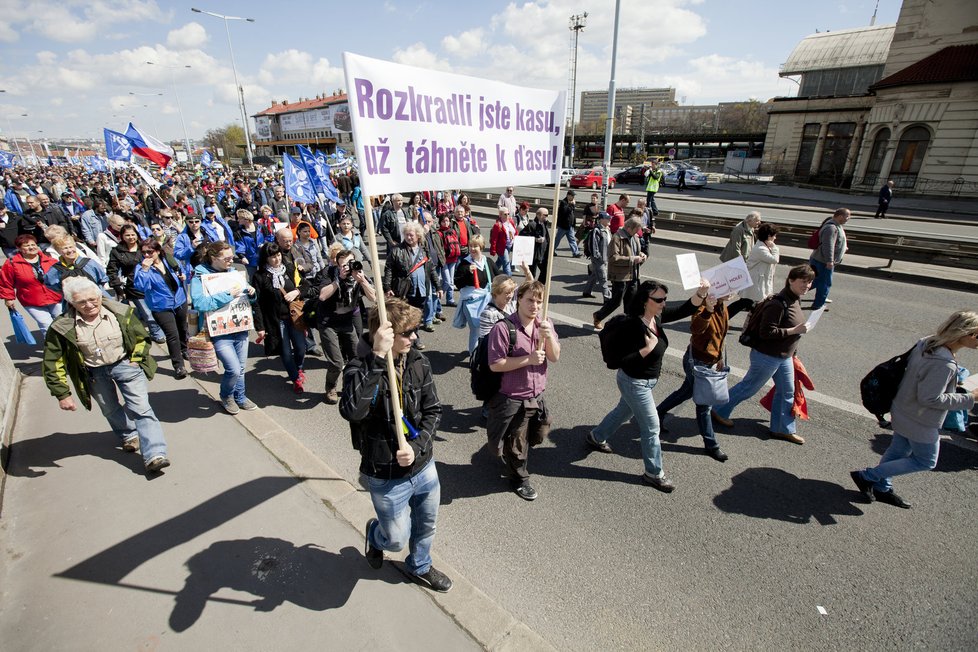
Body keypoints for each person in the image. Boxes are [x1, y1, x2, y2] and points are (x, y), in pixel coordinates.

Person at [339, 298, 452, 593]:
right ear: (384, 334)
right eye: (408, 332)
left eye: (414, 330)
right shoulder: (359, 367)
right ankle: (376, 536)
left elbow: (433, 410)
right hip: (385, 474)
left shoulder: (418, 361)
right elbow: (352, 410)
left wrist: (417, 446)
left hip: (423, 465)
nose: (414, 337)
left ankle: (420, 565)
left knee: (427, 525)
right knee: (396, 538)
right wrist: (377, 357)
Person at [585, 280, 708, 492]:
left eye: (664, 299)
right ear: (645, 301)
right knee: (652, 427)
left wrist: (701, 293)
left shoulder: (656, 317)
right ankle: (654, 473)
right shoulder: (633, 325)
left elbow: (685, 309)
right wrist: (646, 350)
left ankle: (596, 436)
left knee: (623, 412)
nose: (663, 303)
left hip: (646, 382)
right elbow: (619, 362)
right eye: (658, 300)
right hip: (634, 382)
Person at [42, 276, 170, 474]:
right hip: (93, 372)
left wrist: (136, 359)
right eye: (82, 302)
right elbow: (53, 361)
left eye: (93, 299)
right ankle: (128, 434)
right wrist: (62, 394)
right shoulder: (62, 326)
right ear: (71, 303)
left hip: (126, 365)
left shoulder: (121, 311)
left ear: (100, 295)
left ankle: (155, 454)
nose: (89, 305)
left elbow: (141, 337)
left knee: (142, 409)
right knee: (109, 409)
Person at [851, 311, 978, 509]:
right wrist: (971, 398)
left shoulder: (928, 342)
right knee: (926, 461)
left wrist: (953, 382)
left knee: (898, 450)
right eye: (976, 335)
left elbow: (921, 376)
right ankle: (867, 476)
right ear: (963, 333)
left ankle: (882, 487)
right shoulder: (944, 364)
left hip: (903, 408)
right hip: (920, 419)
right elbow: (930, 398)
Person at [711, 264, 816, 444]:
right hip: (767, 356)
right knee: (749, 387)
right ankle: (719, 409)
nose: (807, 285)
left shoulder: (795, 299)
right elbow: (766, 332)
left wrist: (793, 349)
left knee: (787, 391)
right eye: (803, 281)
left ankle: (782, 429)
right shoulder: (777, 303)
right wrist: (794, 331)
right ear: (791, 280)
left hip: (784, 356)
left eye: (810, 282)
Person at [487, 280, 560, 500]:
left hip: (537, 395)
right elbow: (495, 364)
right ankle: (519, 479)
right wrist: (528, 359)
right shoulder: (503, 328)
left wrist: (548, 338)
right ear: (519, 299)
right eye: (530, 300)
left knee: (538, 435)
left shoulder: (545, 324)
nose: (535, 306)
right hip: (513, 397)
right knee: (518, 443)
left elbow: (555, 357)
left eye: (539, 301)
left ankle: (512, 450)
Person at [655, 292, 731, 462]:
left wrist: (719, 357)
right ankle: (712, 445)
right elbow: (696, 328)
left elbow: (720, 335)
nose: (733, 292)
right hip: (696, 362)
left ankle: (658, 413)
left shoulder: (722, 306)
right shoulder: (705, 306)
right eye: (729, 288)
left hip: (710, 361)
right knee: (704, 405)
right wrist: (707, 311)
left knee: (686, 392)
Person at [190, 241, 260, 415]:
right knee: (233, 369)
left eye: (232, 257)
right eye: (227, 258)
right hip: (219, 331)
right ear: (214, 258)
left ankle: (241, 397)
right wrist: (228, 294)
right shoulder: (200, 276)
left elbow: (246, 300)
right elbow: (200, 303)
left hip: (240, 327)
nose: (231, 261)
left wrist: (251, 294)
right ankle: (226, 396)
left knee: (242, 368)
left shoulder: (234, 272)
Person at [318, 248, 376, 405]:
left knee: (356, 357)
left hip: (347, 321)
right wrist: (338, 280)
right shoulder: (329, 272)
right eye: (343, 265)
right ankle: (330, 387)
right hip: (328, 322)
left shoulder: (358, 274)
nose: (347, 268)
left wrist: (362, 281)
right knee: (337, 363)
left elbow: (374, 298)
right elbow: (322, 295)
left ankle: (348, 386)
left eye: (350, 263)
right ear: (337, 265)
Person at [252, 243, 308, 395]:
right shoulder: (260, 276)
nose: (276, 259)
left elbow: (306, 285)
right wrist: (260, 327)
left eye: (278, 255)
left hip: (295, 317)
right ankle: (295, 378)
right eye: (272, 257)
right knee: (285, 352)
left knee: (301, 347)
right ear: (266, 258)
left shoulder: (289, 268)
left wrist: (296, 292)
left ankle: (299, 367)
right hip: (276, 320)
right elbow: (256, 303)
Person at [133, 239, 189, 379]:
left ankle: (184, 349)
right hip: (161, 306)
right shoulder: (141, 268)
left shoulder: (169, 260)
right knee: (172, 335)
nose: (147, 255)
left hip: (179, 300)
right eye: (144, 252)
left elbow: (182, 272)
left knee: (183, 329)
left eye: (150, 252)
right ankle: (178, 366)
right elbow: (140, 287)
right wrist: (145, 269)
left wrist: (183, 276)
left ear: (157, 251)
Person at [382, 222, 439, 351]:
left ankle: (414, 334)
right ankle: (408, 338)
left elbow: (431, 270)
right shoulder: (397, 251)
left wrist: (438, 286)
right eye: (406, 235)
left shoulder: (424, 251)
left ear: (418, 236)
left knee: (417, 316)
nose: (409, 237)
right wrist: (387, 287)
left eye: (411, 235)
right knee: (405, 316)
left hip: (422, 290)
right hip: (405, 290)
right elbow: (389, 269)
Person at [106, 224, 166, 343]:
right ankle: (156, 332)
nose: (130, 237)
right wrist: (117, 287)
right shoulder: (117, 251)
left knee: (158, 309)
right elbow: (112, 270)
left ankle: (162, 327)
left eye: (133, 234)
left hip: (152, 282)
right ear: (122, 236)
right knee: (147, 312)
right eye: (127, 235)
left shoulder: (144, 247)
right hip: (133, 285)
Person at [0, 234, 63, 338]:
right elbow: (5, 282)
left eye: (33, 244)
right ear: (18, 248)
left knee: (63, 323)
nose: (31, 247)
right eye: (26, 245)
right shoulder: (12, 263)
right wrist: (8, 298)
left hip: (55, 297)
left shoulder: (50, 259)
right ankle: (55, 351)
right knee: (46, 325)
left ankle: (69, 349)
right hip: (32, 301)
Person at [593, 217, 646, 330]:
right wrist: (632, 259)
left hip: (633, 275)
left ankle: (628, 325)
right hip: (620, 276)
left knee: (630, 303)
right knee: (616, 302)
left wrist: (642, 255)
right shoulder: (617, 238)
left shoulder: (634, 237)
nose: (637, 233)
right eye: (636, 230)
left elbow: (636, 251)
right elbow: (613, 258)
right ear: (628, 227)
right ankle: (598, 316)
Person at [454, 234, 498, 355]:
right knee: (476, 330)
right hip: (471, 303)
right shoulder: (464, 264)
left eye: (476, 246)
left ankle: (484, 353)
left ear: (482, 247)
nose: (472, 249)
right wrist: (468, 272)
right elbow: (457, 283)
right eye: (471, 246)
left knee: (489, 329)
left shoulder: (487, 261)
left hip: (487, 302)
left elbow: (498, 277)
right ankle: (474, 358)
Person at [720, 211, 762, 317]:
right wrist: (740, 262)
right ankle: (717, 298)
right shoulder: (739, 229)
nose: (759, 222)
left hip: (745, 260)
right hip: (734, 260)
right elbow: (735, 247)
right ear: (750, 220)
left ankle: (746, 301)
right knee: (731, 282)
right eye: (757, 220)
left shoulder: (751, 229)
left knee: (742, 282)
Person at [809, 208, 850, 311]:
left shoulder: (837, 226)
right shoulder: (831, 228)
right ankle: (818, 305)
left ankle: (793, 293)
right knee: (824, 283)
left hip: (823, 260)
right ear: (840, 216)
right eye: (847, 216)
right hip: (823, 261)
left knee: (815, 281)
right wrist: (830, 261)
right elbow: (828, 246)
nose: (848, 218)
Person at [44, 234, 109, 295]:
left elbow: (103, 279)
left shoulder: (89, 263)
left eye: (71, 247)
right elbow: (51, 284)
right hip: (73, 302)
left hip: (97, 296)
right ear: (58, 251)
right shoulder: (56, 269)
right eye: (65, 248)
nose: (69, 250)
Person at [741, 223, 781, 306]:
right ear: (769, 236)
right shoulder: (761, 249)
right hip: (757, 281)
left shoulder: (764, 246)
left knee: (750, 303)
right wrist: (775, 248)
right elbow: (774, 260)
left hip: (759, 280)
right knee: (749, 303)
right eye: (774, 236)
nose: (775, 238)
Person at [583, 211, 612, 300]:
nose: (609, 220)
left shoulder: (607, 230)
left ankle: (587, 292)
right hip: (599, 259)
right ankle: (607, 298)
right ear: (601, 220)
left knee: (595, 275)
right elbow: (593, 245)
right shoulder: (596, 230)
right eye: (607, 218)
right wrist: (598, 257)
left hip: (605, 258)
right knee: (603, 278)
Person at [435, 214, 461, 307]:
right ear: (440, 222)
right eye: (443, 221)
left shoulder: (452, 231)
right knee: (447, 282)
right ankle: (436, 298)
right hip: (444, 260)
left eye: (447, 221)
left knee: (451, 282)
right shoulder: (439, 233)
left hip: (453, 258)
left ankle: (450, 299)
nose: (446, 222)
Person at [520, 207, 551, 281]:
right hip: (534, 255)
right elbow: (522, 236)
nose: (547, 217)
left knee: (545, 272)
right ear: (538, 215)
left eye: (547, 215)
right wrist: (536, 239)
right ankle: (528, 290)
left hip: (543, 254)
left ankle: (539, 287)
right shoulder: (532, 225)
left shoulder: (544, 224)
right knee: (531, 275)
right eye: (545, 215)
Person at [489, 207, 516, 276]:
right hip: (502, 247)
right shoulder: (497, 225)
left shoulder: (511, 222)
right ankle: (509, 281)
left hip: (509, 245)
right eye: (505, 214)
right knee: (506, 263)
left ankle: (489, 273)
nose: (507, 216)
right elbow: (494, 239)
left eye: (508, 214)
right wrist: (493, 250)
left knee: (499, 262)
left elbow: (515, 232)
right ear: (500, 215)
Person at [555, 190, 581, 257]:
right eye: (572, 196)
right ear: (568, 195)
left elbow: (572, 213)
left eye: (573, 196)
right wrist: (572, 205)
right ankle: (551, 250)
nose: (573, 197)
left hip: (570, 226)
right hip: (563, 226)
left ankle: (576, 253)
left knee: (572, 240)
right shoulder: (563, 202)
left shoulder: (571, 203)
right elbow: (566, 212)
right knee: (557, 239)